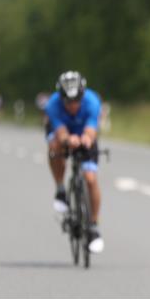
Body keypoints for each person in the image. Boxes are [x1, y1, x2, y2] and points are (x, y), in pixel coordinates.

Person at [45, 71, 104, 253]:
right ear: (61, 97)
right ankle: (60, 188)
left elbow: (91, 128)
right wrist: (67, 140)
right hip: (63, 133)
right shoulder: (52, 104)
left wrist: (86, 138)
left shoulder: (92, 101)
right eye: (68, 101)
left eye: (76, 100)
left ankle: (93, 224)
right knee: (55, 148)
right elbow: (60, 131)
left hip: (83, 131)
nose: (72, 105)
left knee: (90, 178)